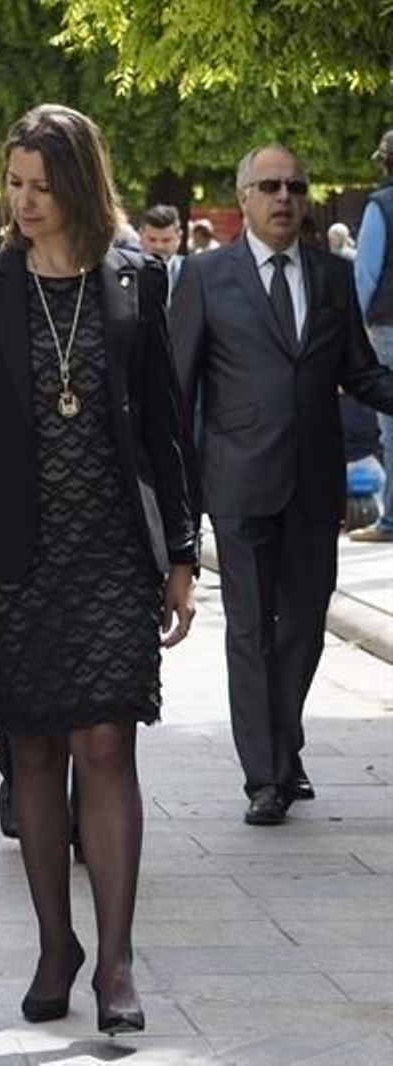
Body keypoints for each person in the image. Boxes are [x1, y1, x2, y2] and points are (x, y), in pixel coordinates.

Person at [0, 104, 199, 1039]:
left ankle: (116, 958)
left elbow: (164, 427)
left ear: (81, 183)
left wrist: (181, 555)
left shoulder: (136, 278)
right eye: (14, 183)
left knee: (107, 747)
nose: (24, 201)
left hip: (113, 554)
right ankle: (57, 945)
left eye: (42, 186)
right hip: (13, 557)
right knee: (36, 751)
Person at [171, 141, 393, 825]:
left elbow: (360, 370)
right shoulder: (207, 277)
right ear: (243, 198)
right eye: (269, 186)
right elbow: (179, 389)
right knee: (249, 630)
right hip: (236, 484)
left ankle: (284, 745)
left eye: (295, 186)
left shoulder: (331, 276)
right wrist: (177, 496)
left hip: (313, 483)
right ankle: (265, 776)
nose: (284, 198)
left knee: (302, 627)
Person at [350, 128, 393, 543]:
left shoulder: (381, 204)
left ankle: (392, 516)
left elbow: (366, 272)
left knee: (391, 425)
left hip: (389, 324)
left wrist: (355, 326)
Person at [139, 204, 185, 296]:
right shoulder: (128, 271)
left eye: (166, 240)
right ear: (141, 236)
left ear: (179, 237)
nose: (159, 246)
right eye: (152, 239)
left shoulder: (190, 272)